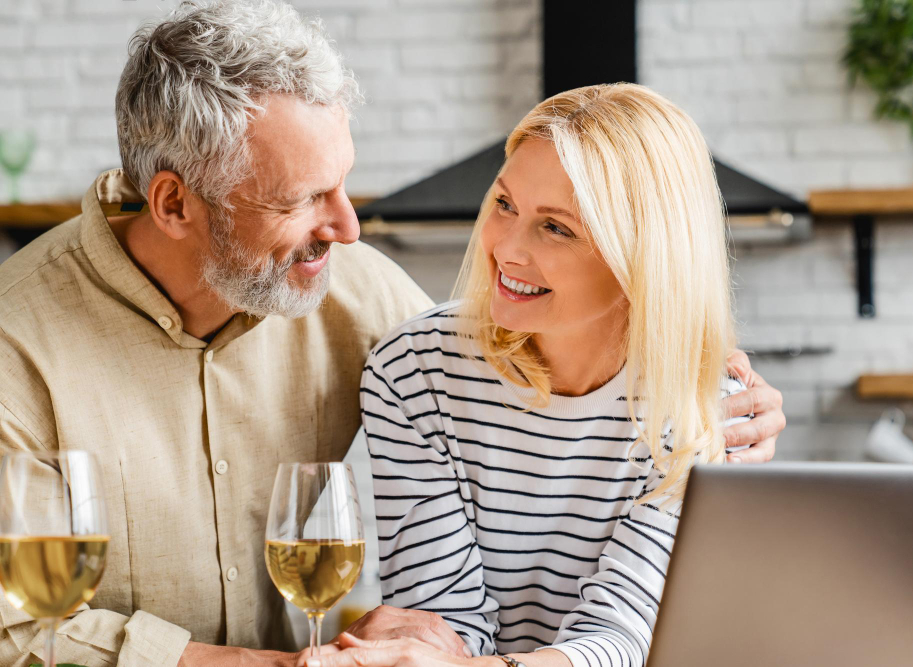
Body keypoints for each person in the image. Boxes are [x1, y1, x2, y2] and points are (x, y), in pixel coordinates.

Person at [0, 3, 784, 667]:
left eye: (344, 181)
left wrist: (721, 399)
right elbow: (17, 625)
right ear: (174, 205)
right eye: (305, 198)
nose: (346, 227)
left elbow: (505, 354)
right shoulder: (17, 343)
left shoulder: (362, 295)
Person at [326, 83, 760, 667]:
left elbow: (624, 639)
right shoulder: (415, 371)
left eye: (556, 227)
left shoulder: (704, 408)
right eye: (505, 205)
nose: (506, 248)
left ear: (642, 256)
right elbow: (436, 621)